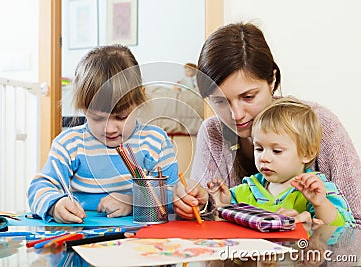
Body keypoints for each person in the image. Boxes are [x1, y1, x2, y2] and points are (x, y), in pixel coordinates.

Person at [173, 22, 361, 227]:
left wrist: (317, 232)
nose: (236, 115)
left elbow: (356, 223)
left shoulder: (320, 124)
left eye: (248, 96)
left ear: (272, 79)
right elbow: (210, 218)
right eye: (220, 101)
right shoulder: (213, 133)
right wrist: (196, 204)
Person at [28, 45, 178, 223]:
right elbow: (39, 187)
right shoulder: (70, 144)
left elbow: (173, 196)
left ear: (140, 98)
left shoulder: (156, 141)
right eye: (97, 118)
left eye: (120, 117)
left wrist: (132, 203)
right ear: (83, 109)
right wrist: (55, 205)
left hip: (141, 241)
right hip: (84, 237)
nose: (109, 129)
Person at [207, 97, 355, 227]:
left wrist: (321, 204)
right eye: (259, 149)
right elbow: (225, 225)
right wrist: (223, 205)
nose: (264, 157)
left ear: (308, 153)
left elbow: (345, 231)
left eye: (277, 151)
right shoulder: (246, 190)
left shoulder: (318, 190)